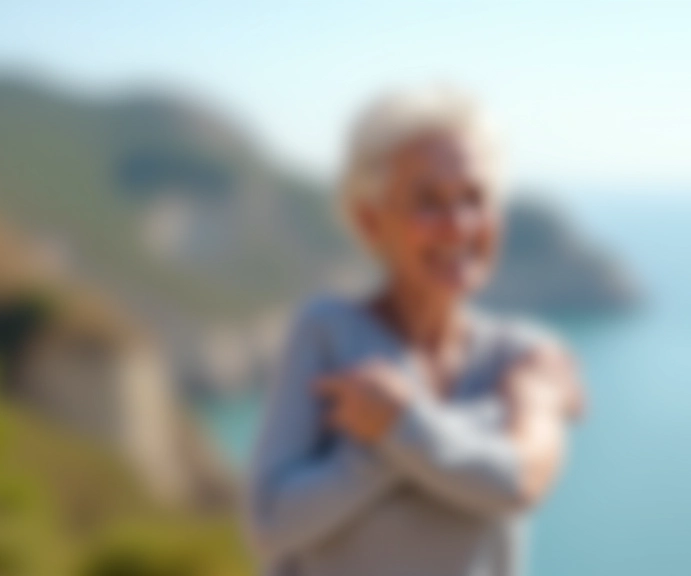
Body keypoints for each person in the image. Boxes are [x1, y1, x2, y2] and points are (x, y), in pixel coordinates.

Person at [246, 85, 585, 576]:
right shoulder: (326, 334)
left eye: (474, 197)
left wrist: (396, 425)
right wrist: (406, 444)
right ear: (370, 222)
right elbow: (269, 525)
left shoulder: (527, 353)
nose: (458, 224)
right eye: (428, 201)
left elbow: (520, 482)